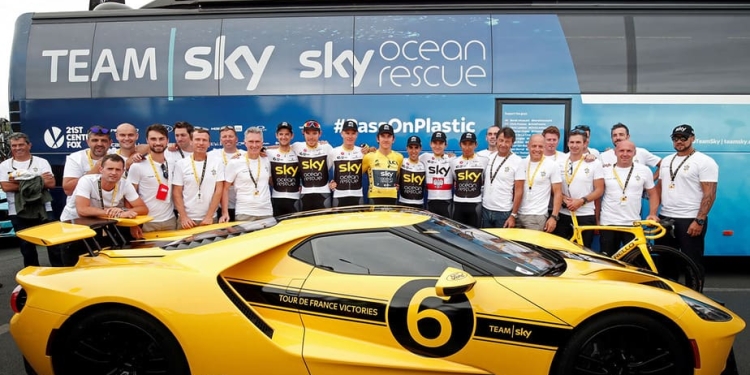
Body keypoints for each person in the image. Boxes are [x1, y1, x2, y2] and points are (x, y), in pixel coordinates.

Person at [656, 124, 718, 277]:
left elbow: (709, 194)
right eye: (675, 138)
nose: (679, 141)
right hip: (666, 218)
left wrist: (700, 220)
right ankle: (668, 299)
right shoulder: (666, 161)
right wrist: (653, 212)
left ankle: (695, 297)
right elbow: (659, 188)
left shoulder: (705, 161)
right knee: (666, 263)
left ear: (692, 138)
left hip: (690, 219)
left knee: (692, 263)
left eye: (683, 138)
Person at [0, 132, 62, 267]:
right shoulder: (5, 165)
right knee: (26, 248)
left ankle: (59, 274)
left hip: (45, 209)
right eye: (14, 145)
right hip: (17, 211)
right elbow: (5, 186)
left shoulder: (41, 162)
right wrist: (38, 181)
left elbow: (50, 184)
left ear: (29, 145)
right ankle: (32, 278)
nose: (17, 148)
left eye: (21, 144)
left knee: (53, 244)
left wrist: (18, 182)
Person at [600, 140, 659, 255]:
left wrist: (652, 213)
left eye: (629, 151)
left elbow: (653, 194)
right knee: (608, 260)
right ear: (615, 152)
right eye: (621, 150)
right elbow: (597, 196)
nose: (625, 154)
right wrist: (597, 219)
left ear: (634, 153)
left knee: (634, 260)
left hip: (633, 223)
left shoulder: (644, 170)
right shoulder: (604, 171)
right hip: (608, 223)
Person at [554, 128, 604, 247]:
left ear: (585, 144)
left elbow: (599, 189)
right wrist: (563, 198)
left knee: (583, 252)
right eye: (572, 142)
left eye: (578, 142)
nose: (574, 145)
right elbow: (553, 187)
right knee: (561, 251)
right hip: (563, 214)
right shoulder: (560, 161)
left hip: (585, 216)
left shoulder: (594, 163)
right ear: (567, 143)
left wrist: (581, 201)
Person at [127, 124, 177, 237]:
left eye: (161, 139)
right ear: (147, 140)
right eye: (153, 139)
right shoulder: (137, 166)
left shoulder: (173, 163)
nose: (158, 143)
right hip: (146, 222)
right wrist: (133, 225)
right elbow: (129, 195)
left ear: (167, 140)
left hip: (170, 220)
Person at [172, 128, 227, 228]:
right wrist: (184, 217)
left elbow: (219, 190)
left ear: (209, 143)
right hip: (186, 220)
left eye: (204, 140)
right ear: (191, 142)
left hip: (210, 219)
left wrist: (209, 216)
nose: (201, 143)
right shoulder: (181, 164)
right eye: (197, 139)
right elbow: (176, 192)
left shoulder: (217, 162)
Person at [512, 134, 562, 232]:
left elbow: (558, 193)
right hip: (519, 214)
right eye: (534, 146)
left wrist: (554, 217)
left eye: (540, 146)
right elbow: (518, 190)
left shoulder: (552, 165)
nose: (537, 149)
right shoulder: (522, 163)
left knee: (532, 247)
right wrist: (513, 214)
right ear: (528, 146)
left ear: (544, 147)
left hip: (537, 217)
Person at [224, 127, 273, 221]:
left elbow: (285, 147)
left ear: (262, 143)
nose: (254, 145)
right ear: (245, 143)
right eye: (251, 141)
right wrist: (225, 212)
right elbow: (225, 189)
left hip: (266, 213)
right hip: (244, 213)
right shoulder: (235, 162)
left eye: (257, 141)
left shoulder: (266, 160)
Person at [481, 127, 523, 228]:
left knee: (501, 244)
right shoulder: (489, 158)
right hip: (485, 209)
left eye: (507, 141)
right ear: (497, 140)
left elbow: (519, 191)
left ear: (512, 143)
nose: (503, 144)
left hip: (503, 213)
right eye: (501, 140)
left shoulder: (518, 161)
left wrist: (513, 215)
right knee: (485, 242)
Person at [62, 125, 113, 204]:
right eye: (95, 140)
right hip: (79, 211)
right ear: (88, 142)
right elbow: (68, 190)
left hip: (109, 209)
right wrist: (95, 170)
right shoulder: (75, 158)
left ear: (110, 143)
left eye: (104, 140)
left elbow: (137, 149)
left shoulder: (116, 156)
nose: (99, 144)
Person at [292, 120, 333, 210]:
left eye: (314, 133)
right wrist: (262, 149)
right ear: (303, 133)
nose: (311, 137)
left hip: (324, 193)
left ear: (320, 134)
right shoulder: (296, 146)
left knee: (325, 223)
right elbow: (282, 148)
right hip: (305, 195)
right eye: (308, 133)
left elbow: (337, 164)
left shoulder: (327, 148)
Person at [450, 132, 488, 227]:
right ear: (460, 145)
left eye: (470, 144)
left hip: (475, 204)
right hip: (458, 203)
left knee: (474, 234)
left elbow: (484, 180)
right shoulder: (454, 162)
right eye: (464, 144)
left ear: (476, 145)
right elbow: (455, 179)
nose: (467, 147)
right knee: (457, 234)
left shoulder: (484, 161)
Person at [209, 126, 245, 221]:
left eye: (230, 136)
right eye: (224, 137)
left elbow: (261, 151)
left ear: (236, 139)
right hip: (221, 206)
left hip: (241, 206)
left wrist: (263, 151)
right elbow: (194, 153)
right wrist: (174, 147)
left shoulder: (245, 154)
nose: (227, 139)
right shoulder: (213, 154)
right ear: (220, 139)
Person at [363, 123, 403, 205]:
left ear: (393, 139)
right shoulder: (368, 156)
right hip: (374, 198)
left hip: (392, 197)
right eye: (383, 136)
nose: (386, 139)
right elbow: (356, 175)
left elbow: (398, 177)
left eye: (389, 136)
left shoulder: (399, 157)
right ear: (378, 139)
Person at [327, 120, 364, 207]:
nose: (350, 136)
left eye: (353, 133)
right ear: (342, 134)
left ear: (357, 134)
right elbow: (323, 171)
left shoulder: (362, 152)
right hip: (339, 197)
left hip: (357, 196)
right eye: (347, 133)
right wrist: (330, 183)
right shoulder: (334, 152)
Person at [269, 121, 300, 216]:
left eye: (287, 134)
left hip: (295, 198)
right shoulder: (269, 154)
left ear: (292, 136)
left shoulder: (297, 151)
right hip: (276, 198)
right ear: (276, 135)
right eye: (281, 134)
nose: (284, 137)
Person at [420, 131, 454, 217]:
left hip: (447, 201)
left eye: (441, 143)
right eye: (435, 143)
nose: (437, 146)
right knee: (431, 229)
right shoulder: (424, 157)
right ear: (430, 144)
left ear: (445, 145)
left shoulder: (452, 159)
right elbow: (411, 162)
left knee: (447, 229)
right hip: (431, 201)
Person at [398, 135, 427, 209]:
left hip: (419, 204)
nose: (413, 151)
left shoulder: (424, 164)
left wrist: (449, 156)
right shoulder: (401, 162)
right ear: (406, 148)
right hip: (403, 203)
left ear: (421, 148)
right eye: (411, 147)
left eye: (416, 148)